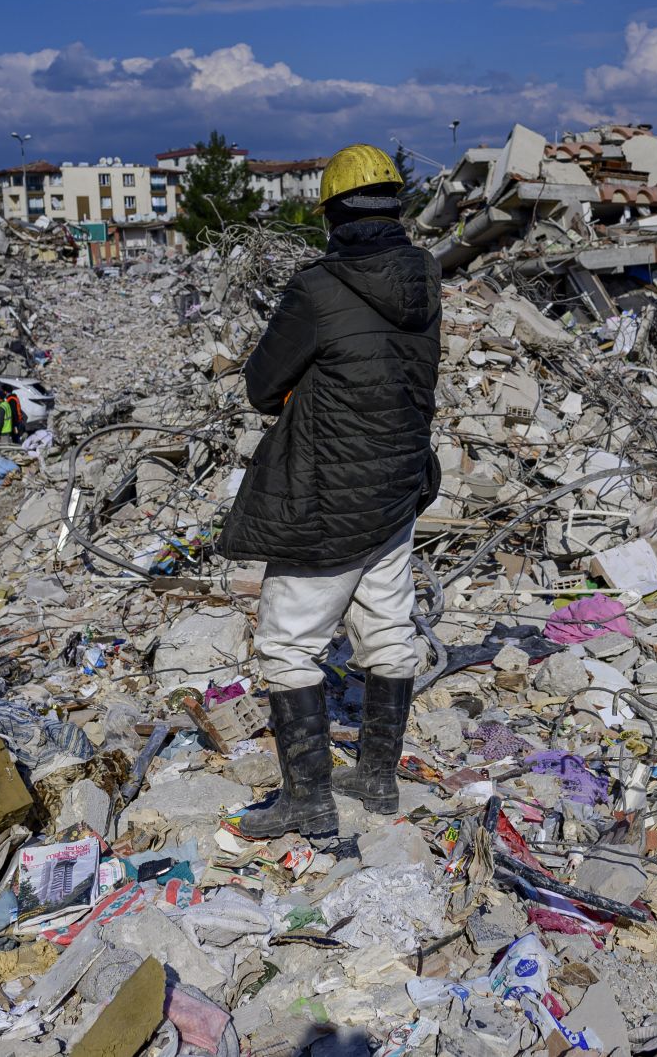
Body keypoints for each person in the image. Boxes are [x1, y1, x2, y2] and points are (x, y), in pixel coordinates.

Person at [218, 143, 441, 838]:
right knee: (388, 629)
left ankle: (307, 799)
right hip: (398, 479)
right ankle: (377, 776)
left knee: (288, 644)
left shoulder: (318, 288)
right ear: (396, 209)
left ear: (332, 216)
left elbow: (262, 387)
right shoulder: (426, 277)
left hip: (328, 489)